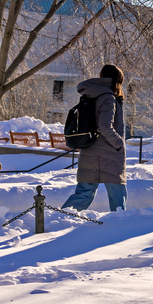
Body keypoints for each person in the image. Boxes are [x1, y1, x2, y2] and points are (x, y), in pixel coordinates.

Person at [62, 65, 128, 212]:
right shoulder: (108, 98)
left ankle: (59, 219)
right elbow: (105, 126)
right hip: (108, 154)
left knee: (84, 193)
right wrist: (119, 143)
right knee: (118, 194)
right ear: (118, 80)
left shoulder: (92, 94)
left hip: (90, 150)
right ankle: (121, 226)